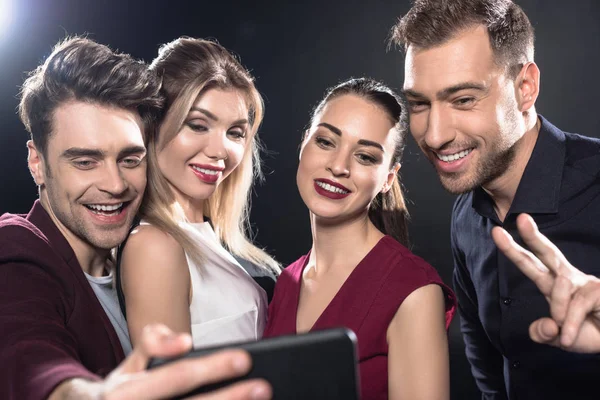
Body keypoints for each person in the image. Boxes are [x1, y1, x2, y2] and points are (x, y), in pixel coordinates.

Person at [0, 36, 271, 400]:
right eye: (85, 161)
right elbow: (27, 355)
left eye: (130, 159)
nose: (115, 185)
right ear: (38, 162)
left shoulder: (125, 253)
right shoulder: (16, 249)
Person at [391, 0, 600, 398]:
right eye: (419, 103)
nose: (434, 136)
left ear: (526, 88)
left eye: (464, 99)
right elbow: (488, 373)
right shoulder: (466, 216)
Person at [263, 78, 456, 400]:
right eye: (326, 142)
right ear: (303, 144)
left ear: (387, 179)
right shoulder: (286, 282)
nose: (338, 166)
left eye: (365, 157)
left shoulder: (413, 289)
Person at [117, 37, 279, 350]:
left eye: (235, 133)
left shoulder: (208, 239)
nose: (220, 151)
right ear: (154, 126)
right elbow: (169, 387)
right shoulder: (154, 245)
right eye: (198, 125)